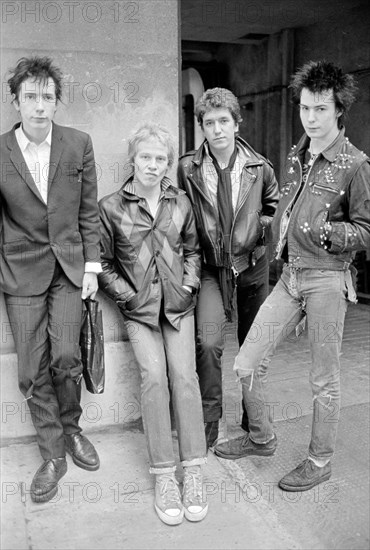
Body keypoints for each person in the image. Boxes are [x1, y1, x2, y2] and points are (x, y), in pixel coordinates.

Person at [214, 60, 370, 491]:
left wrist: (323, 231)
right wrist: (269, 234)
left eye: (320, 109)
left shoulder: (355, 165)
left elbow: (365, 230)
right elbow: (286, 208)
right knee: (246, 362)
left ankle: (320, 462)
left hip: (327, 279)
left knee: (323, 380)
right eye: (304, 108)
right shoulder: (296, 155)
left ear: (339, 110)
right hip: (290, 277)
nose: (311, 118)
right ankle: (262, 437)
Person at [0, 57, 101, 502]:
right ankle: (53, 453)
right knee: (30, 370)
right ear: (15, 101)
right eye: (31, 97)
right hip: (20, 270)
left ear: (56, 101)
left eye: (47, 97)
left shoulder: (78, 144)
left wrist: (93, 268)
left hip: (69, 270)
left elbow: (89, 212)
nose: (39, 106)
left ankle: (73, 429)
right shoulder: (0, 150)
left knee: (65, 355)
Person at [98, 123, 208, 525]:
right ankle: (165, 476)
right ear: (133, 159)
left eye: (161, 158)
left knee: (185, 377)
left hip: (178, 307)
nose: (153, 165)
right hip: (140, 311)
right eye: (146, 157)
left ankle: (193, 470)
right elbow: (104, 263)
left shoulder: (179, 202)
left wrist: (190, 285)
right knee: (155, 378)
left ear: (168, 163)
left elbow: (194, 250)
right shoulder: (110, 207)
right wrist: (128, 297)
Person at [178, 88, 279, 448]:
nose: (217, 128)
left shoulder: (259, 166)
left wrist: (257, 231)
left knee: (253, 345)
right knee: (207, 343)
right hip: (209, 268)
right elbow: (180, 213)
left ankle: (254, 419)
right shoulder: (187, 168)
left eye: (224, 121)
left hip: (251, 266)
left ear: (237, 123)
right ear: (201, 127)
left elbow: (273, 206)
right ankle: (209, 420)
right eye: (209, 122)